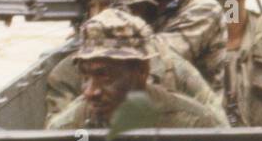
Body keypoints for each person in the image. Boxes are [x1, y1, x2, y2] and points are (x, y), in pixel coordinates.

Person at [44, 0, 223, 121]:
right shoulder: (68, 72)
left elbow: (218, 127)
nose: (99, 15)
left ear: (138, 11)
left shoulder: (173, 66)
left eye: (109, 5)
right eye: (92, 6)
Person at [46, 10, 228, 130]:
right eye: (86, 76)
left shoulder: (193, 124)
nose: (90, 92)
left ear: (141, 72)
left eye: (104, 76)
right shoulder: (73, 128)